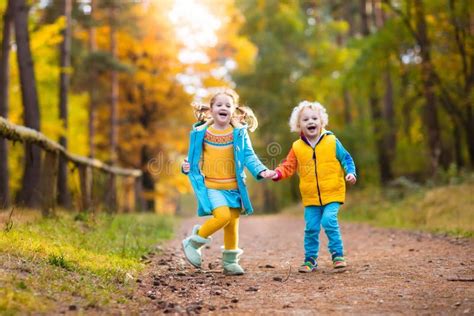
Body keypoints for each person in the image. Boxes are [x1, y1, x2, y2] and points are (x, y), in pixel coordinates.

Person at [181, 88, 273, 275]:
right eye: (219, 105)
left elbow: (249, 155)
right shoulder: (202, 132)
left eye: (228, 105)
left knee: (232, 224)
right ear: (211, 109)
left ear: (234, 110)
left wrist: (262, 170)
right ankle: (193, 242)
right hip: (213, 186)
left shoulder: (239, 133)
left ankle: (230, 262)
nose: (223, 108)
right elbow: (191, 159)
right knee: (222, 217)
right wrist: (185, 167)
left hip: (235, 187)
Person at [268, 101, 356, 272]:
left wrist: (350, 172)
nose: (310, 121)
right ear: (298, 125)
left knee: (329, 221)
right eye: (305, 119)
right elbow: (288, 166)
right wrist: (277, 173)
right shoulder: (297, 147)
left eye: (314, 118)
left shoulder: (331, 140)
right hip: (310, 197)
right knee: (311, 228)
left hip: (333, 192)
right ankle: (310, 260)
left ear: (321, 121)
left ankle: (337, 255)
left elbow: (346, 158)